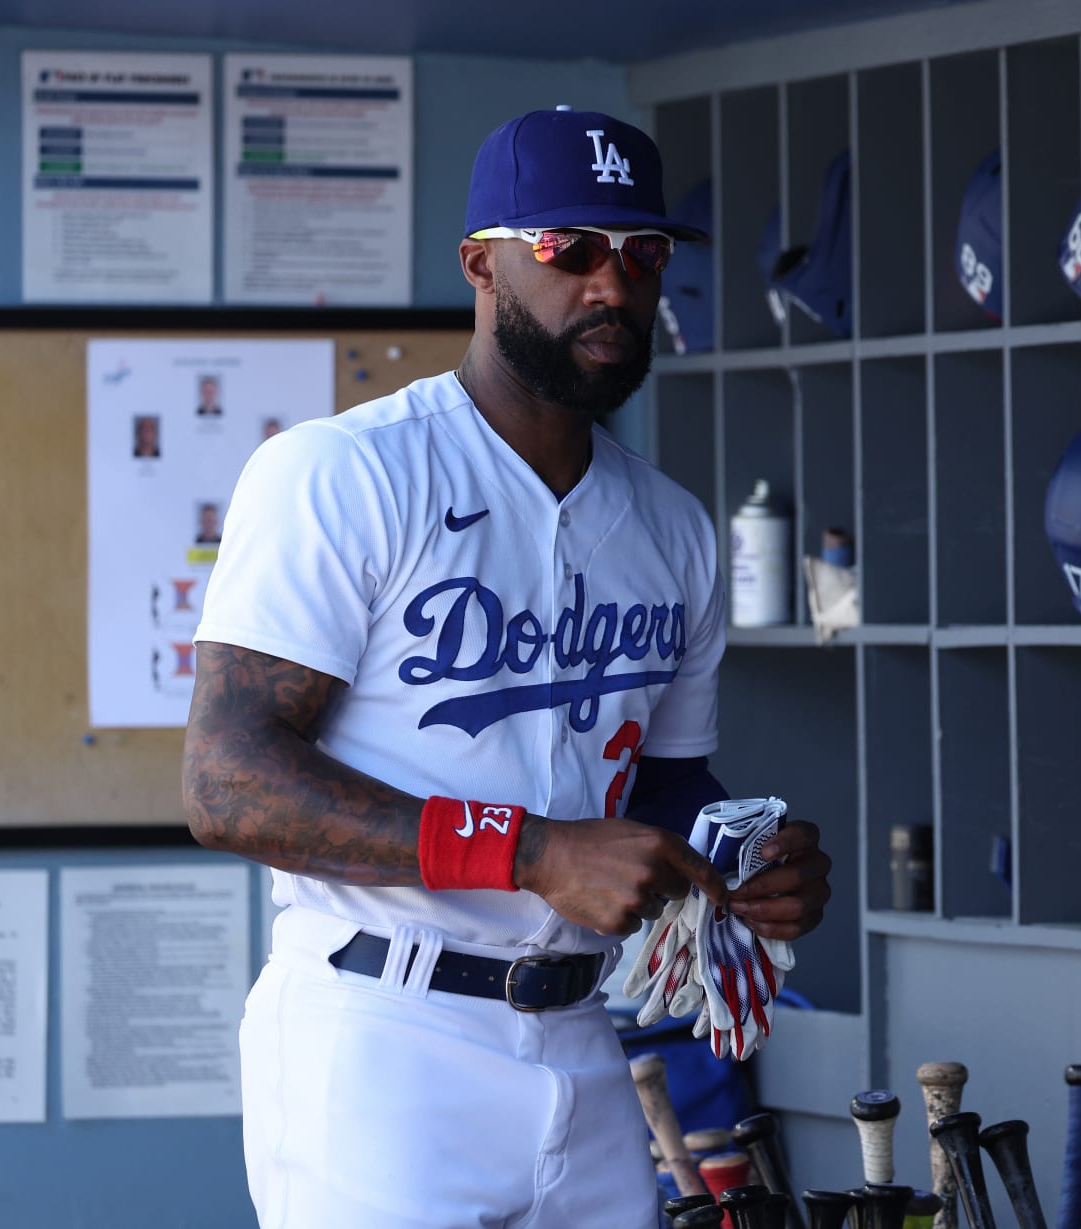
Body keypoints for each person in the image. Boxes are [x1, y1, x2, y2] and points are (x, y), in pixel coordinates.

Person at [183, 106, 832, 1229]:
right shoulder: (342, 475)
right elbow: (228, 783)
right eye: (570, 249)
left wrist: (745, 860)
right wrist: (531, 849)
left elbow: (665, 782)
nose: (613, 285)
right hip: (381, 1028)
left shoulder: (672, 529)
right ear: (483, 264)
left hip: (584, 1036)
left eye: (643, 255)